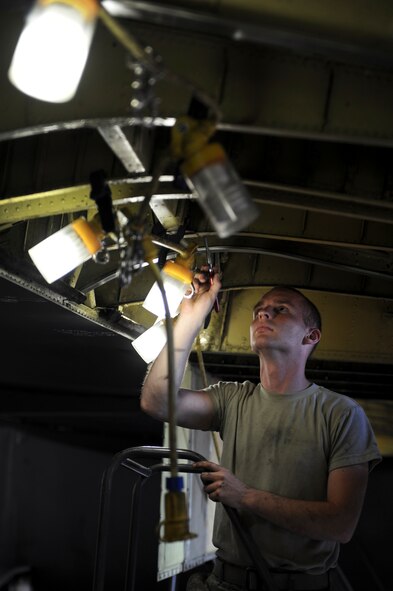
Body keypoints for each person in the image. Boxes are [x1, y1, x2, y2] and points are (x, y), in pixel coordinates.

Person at [140, 271, 381, 591]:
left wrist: (245, 496)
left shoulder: (340, 414)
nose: (263, 313)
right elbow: (157, 401)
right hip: (224, 582)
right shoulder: (232, 398)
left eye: (281, 309)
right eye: (258, 311)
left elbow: (340, 524)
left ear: (310, 337)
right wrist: (191, 317)